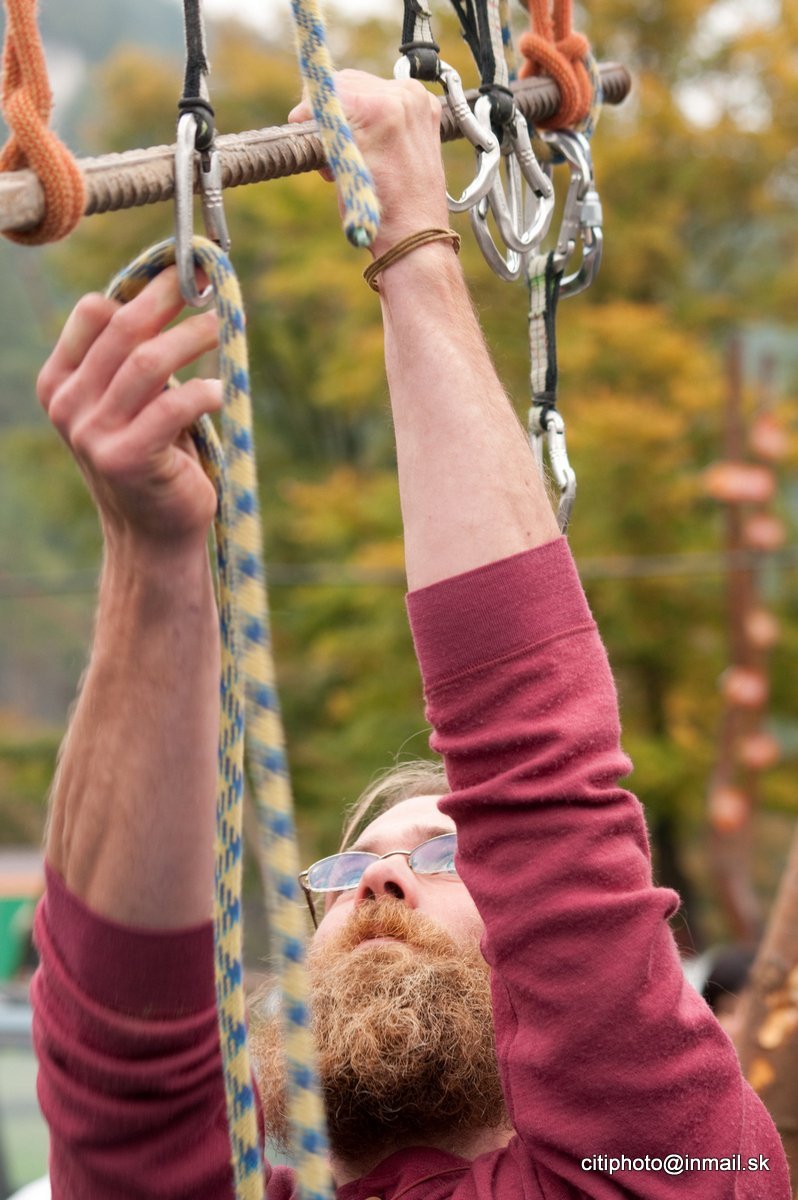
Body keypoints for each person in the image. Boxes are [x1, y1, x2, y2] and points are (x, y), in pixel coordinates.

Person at [30, 70, 789, 1199]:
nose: (378, 883)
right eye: (345, 872)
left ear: (535, 949)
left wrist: (415, 247)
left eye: (445, 855)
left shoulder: (672, 1164)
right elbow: (123, 1048)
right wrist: (152, 551)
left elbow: (541, 793)